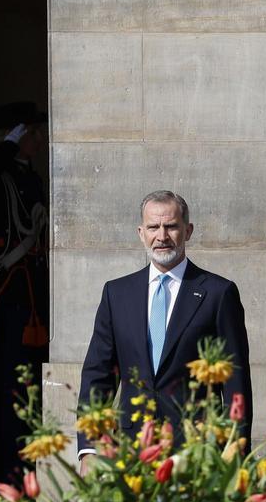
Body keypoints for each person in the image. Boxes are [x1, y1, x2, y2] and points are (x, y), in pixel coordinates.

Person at [78, 191, 253, 463]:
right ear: (140, 232)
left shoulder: (219, 294)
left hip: (197, 454)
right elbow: (98, 375)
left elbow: (235, 386)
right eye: (153, 227)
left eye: (171, 226)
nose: (162, 236)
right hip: (132, 450)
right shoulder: (116, 293)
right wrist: (88, 449)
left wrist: (235, 453)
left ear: (188, 230)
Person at [0, 101, 49, 485]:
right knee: (9, 388)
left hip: (34, 291)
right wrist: (5, 147)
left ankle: (28, 472)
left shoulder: (28, 176)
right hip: (10, 291)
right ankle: (5, 476)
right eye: (30, 133)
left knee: (32, 384)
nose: (37, 140)